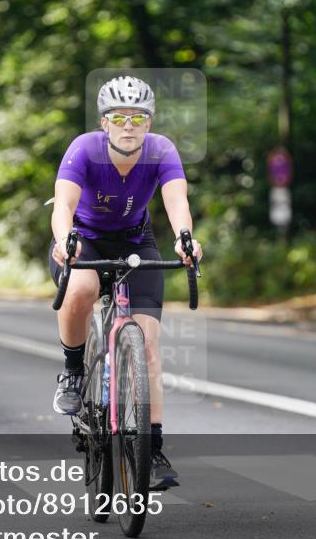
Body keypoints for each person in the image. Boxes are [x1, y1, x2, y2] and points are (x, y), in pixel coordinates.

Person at [48, 75, 203, 490]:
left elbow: (177, 202)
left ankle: (151, 451)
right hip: (84, 239)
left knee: (148, 346)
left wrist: (186, 238)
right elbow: (62, 203)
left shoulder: (162, 151)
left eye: (138, 117)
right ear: (105, 121)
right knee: (80, 289)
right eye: (120, 117)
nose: (129, 125)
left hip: (138, 241)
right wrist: (65, 240)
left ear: (148, 123)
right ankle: (73, 371)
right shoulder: (84, 149)